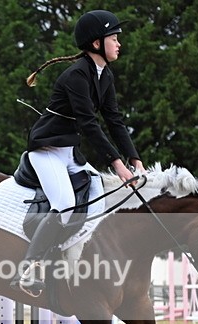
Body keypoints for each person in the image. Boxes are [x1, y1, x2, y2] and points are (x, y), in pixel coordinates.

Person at [13, 9, 147, 296]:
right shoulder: (75, 75)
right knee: (64, 205)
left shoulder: (104, 75)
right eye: (114, 38)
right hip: (46, 150)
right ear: (97, 43)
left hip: (70, 154)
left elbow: (114, 120)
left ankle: (72, 259)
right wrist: (119, 165)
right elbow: (89, 124)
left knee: (100, 195)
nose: (119, 43)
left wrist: (134, 158)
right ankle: (30, 267)